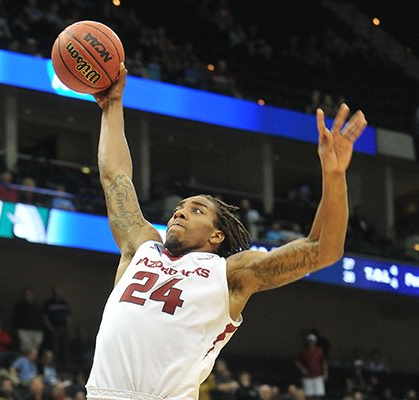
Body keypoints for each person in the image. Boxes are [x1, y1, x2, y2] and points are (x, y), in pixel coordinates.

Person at [85, 64, 367, 399]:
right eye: (180, 207)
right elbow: (115, 178)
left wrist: (334, 175)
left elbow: (324, 249)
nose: (180, 212)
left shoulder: (230, 274)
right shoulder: (140, 248)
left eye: (196, 210)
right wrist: (112, 105)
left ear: (216, 236)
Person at [295, 334, 327, 400]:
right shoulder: (303, 351)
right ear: (307, 342)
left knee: (319, 395)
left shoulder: (319, 350)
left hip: (318, 376)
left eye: (312, 341)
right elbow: (297, 362)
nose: (311, 343)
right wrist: (302, 369)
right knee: (309, 396)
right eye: (310, 341)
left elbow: (323, 362)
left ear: (315, 342)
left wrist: (325, 373)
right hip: (307, 377)